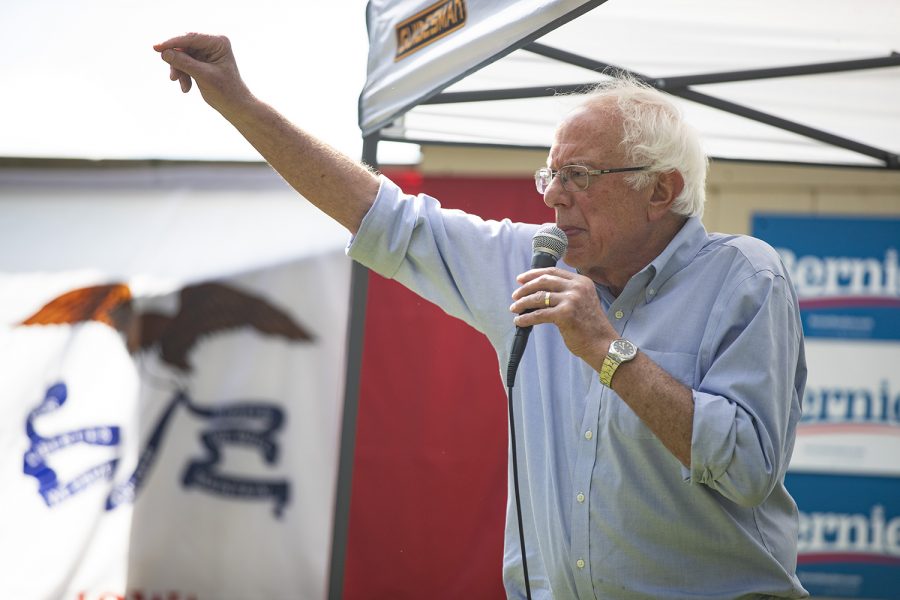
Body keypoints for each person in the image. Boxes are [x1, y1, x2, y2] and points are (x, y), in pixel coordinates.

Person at [154, 33, 809, 599]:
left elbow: (749, 468)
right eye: (548, 175)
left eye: (579, 175)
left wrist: (609, 351)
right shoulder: (529, 263)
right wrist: (238, 103)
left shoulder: (744, 278)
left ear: (659, 190)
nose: (554, 196)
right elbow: (382, 216)